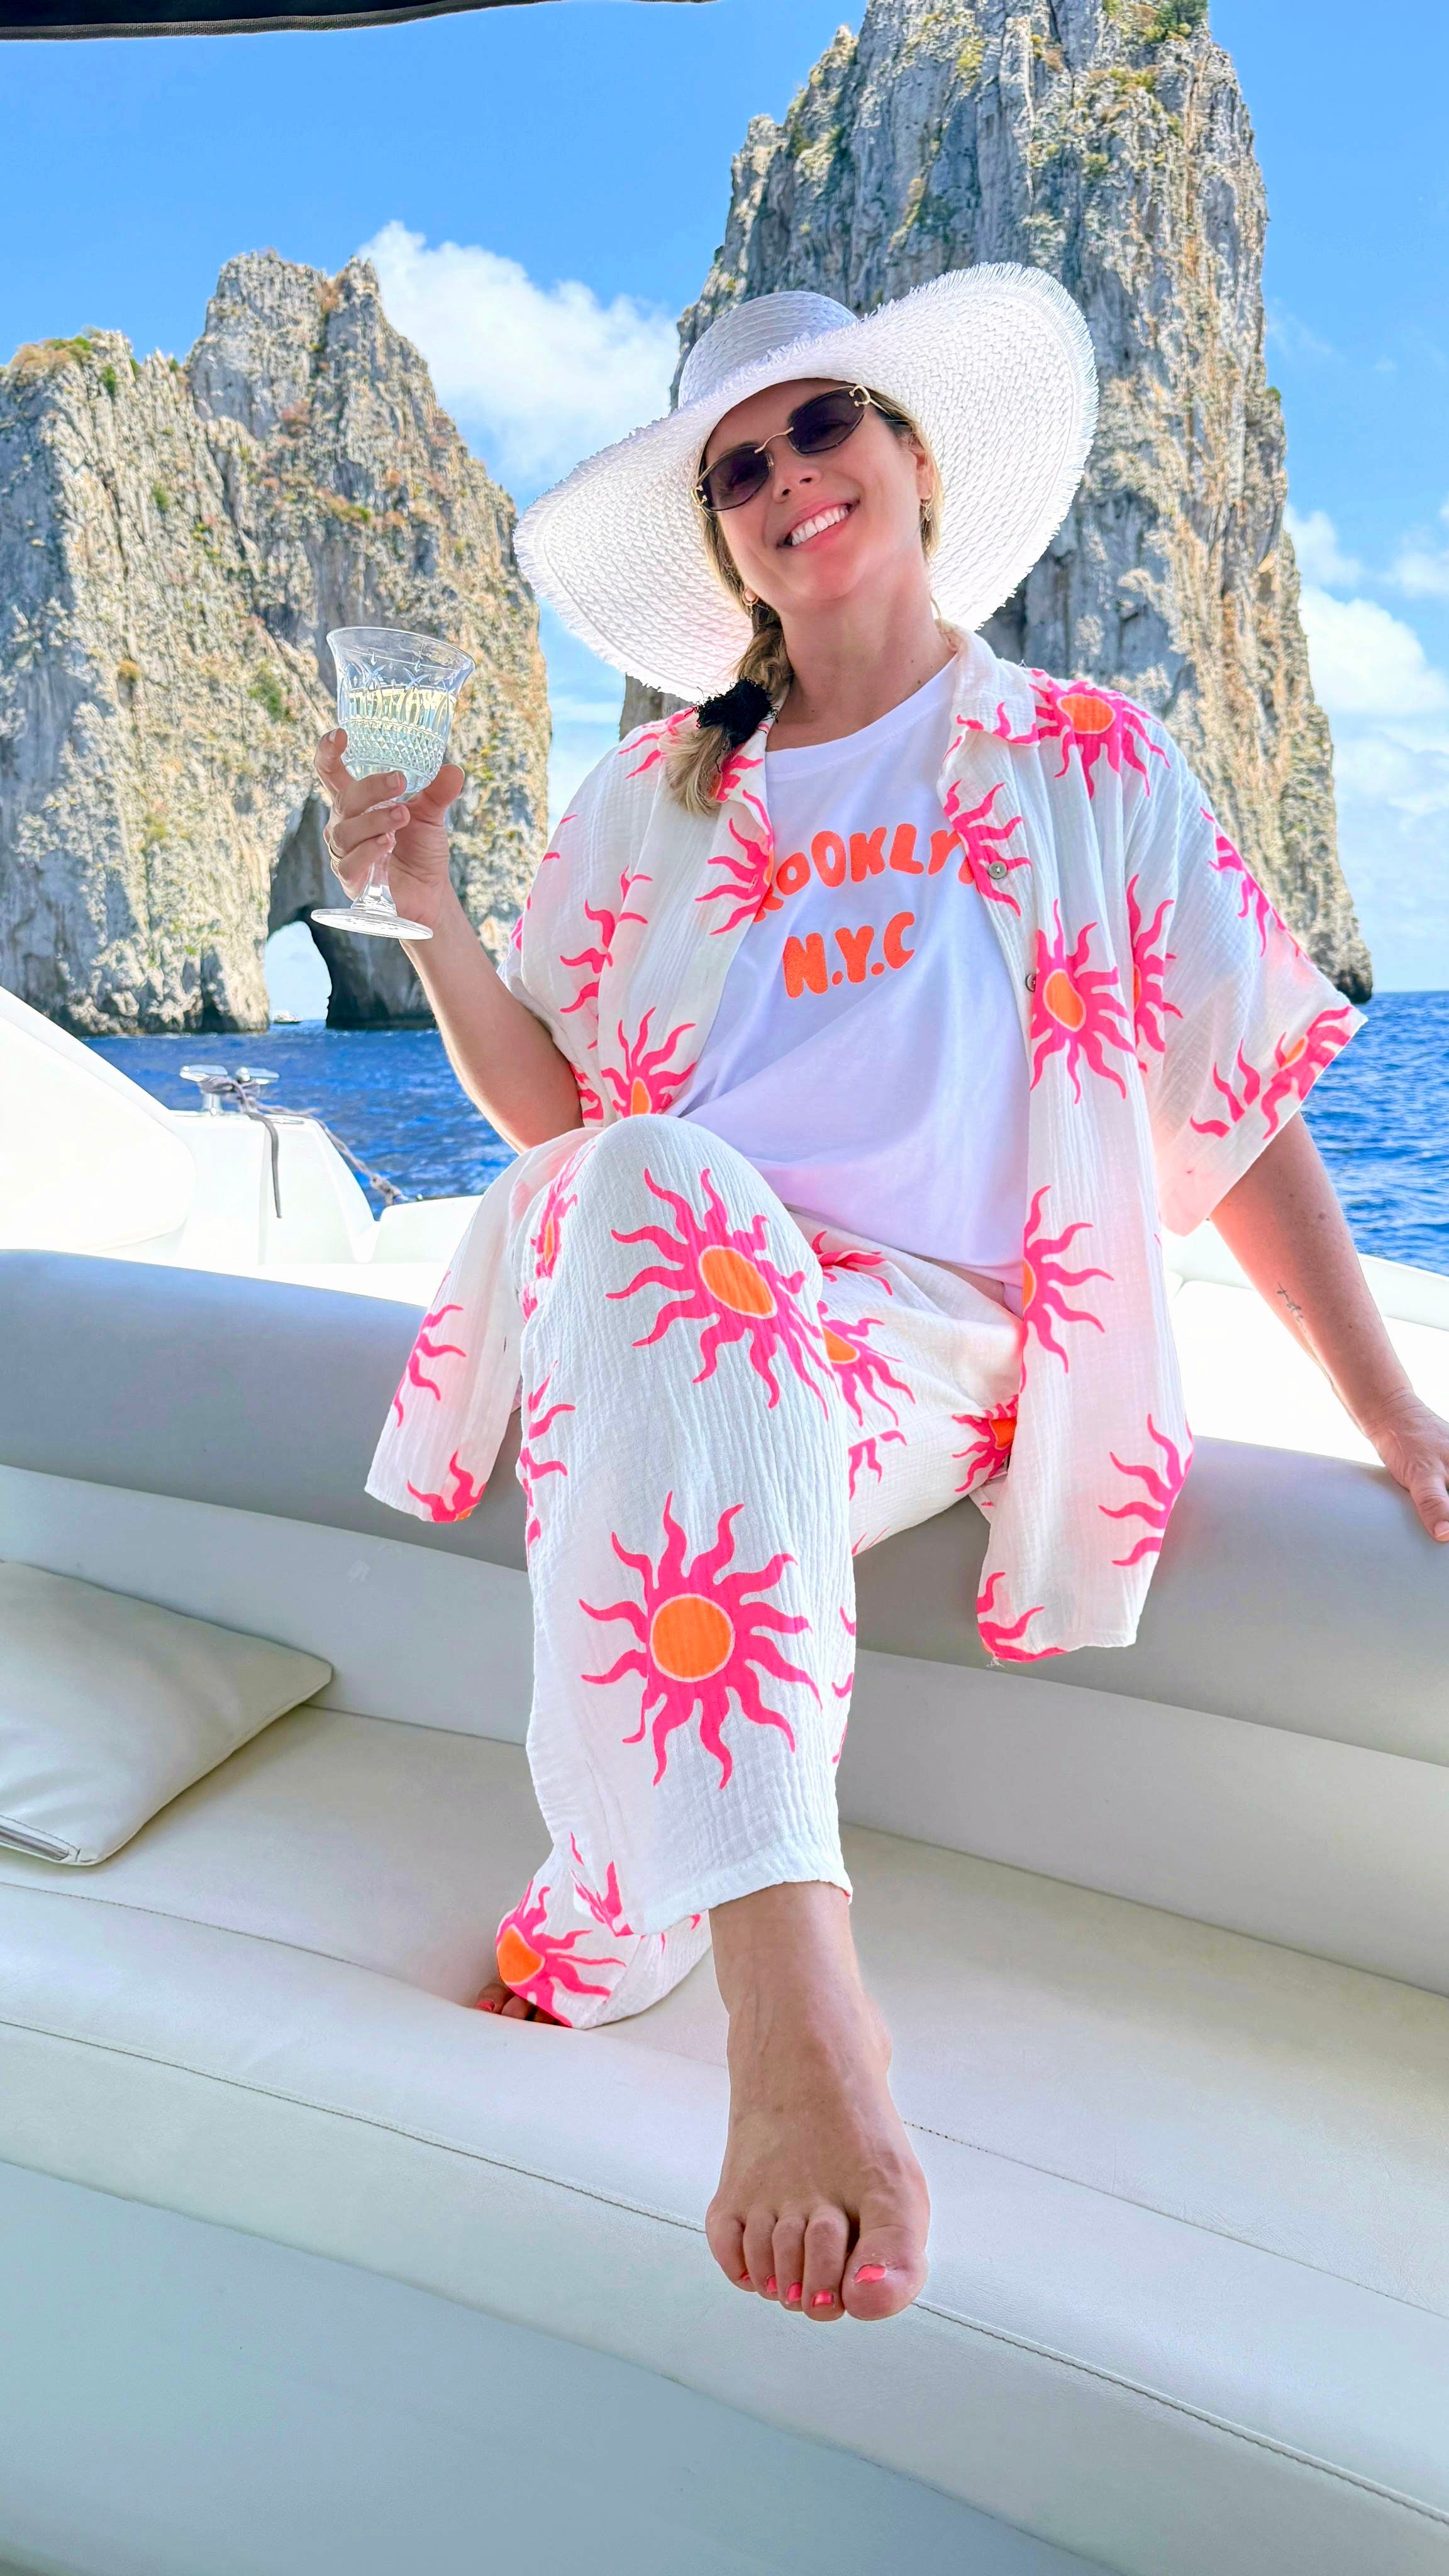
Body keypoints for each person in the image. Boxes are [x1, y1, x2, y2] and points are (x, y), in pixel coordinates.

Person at [314, 271, 1449, 2329]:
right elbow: (557, 1110)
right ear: (726, 542)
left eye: (822, 425)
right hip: (678, 1287)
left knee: (653, 1265)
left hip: (928, 1341)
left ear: (913, 455)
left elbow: (1237, 1101)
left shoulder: (1083, 758)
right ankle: (802, 2000)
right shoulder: (657, 795)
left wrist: (1396, 1417)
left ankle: (631, 1901)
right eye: (739, 468)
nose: (787, 480)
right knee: (641, 1176)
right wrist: (430, 912)